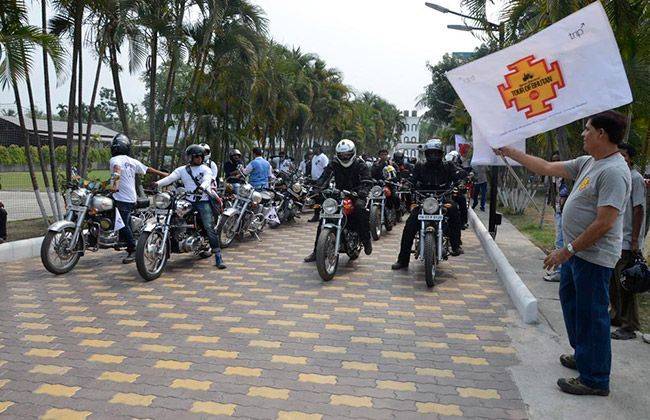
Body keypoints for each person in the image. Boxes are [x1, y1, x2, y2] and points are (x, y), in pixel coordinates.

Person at [499, 110, 631, 397]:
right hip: (576, 256)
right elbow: (545, 167)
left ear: (602, 134)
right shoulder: (589, 163)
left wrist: (567, 251)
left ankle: (595, 379)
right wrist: (510, 152)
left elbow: (605, 222)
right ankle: (584, 355)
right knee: (572, 306)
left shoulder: (614, 171)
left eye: (587, 129)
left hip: (592, 258)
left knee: (592, 314)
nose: (583, 134)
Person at [391, 139, 465, 271]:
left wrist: (460, 184)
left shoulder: (448, 166)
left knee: (453, 210)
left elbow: (457, 178)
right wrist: (407, 184)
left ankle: (455, 245)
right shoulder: (420, 166)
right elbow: (412, 179)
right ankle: (402, 260)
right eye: (430, 153)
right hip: (424, 201)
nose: (433, 156)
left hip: (443, 199)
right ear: (426, 154)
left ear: (441, 154)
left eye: (436, 153)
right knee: (410, 225)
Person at [154, 145, 226, 269]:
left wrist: (202, 187)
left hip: (202, 201)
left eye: (200, 156)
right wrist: (157, 183)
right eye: (196, 156)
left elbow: (207, 179)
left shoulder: (205, 169)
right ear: (190, 157)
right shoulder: (182, 170)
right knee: (173, 216)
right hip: (187, 200)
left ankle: (218, 256)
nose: (198, 158)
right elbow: (170, 178)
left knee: (209, 227)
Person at [304, 139, 373, 262]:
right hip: (338, 194)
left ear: (353, 153)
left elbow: (367, 181)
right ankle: (317, 251)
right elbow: (324, 177)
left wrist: (363, 191)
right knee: (324, 217)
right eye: (341, 155)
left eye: (347, 154)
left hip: (356, 194)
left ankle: (366, 240)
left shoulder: (360, 164)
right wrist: (316, 189)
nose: (344, 157)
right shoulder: (334, 163)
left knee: (360, 209)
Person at [109, 133, 167, 264]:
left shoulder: (115, 160)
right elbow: (147, 169)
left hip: (122, 197)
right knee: (125, 222)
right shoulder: (131, 160)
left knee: (122, 224)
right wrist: (163, 174)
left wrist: (114, 185)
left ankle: (133, 249)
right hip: (130, 196)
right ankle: (122, 240)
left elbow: (117, 169)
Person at [609, 143, 646, 340]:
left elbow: (638, 209)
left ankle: (630, 325)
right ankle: (616, 316)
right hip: (617, 239)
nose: (621, 159)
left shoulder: (636, 178)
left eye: (624, 156)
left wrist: (634, 241)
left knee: (626, 283)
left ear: (630, 158)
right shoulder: (619, 175)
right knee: (614, 282)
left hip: (628, 241)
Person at [543, 151, 570, 282]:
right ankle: (559, 270)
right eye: (553, 160)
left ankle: (560, 272)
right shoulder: (554, 176)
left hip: (565, 212)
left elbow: (566, 192)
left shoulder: (567, 177)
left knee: (560, 242)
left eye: (557, 160)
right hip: (558, 210)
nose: (555, 163)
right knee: (558, 240)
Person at [308, 145, 330, 222]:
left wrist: (324, 182)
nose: (314, 150)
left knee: (323, 199)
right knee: (316, 199)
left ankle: (325, 215)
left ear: (319, 148)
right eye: (313, 148)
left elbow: (326, 170)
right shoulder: (314, 157)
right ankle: (316, 215)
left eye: (315, 148)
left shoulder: (323, 157)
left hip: (322, 182)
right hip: (314, 182)